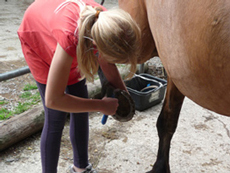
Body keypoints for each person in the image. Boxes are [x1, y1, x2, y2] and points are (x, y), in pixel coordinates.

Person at [18, 0, 141, 172]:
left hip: (64, 30)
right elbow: (53, 100)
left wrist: (123, 96)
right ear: (97, 45)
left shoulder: (106, 22)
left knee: (81, 102)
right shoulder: (71, 38)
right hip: (36, 35)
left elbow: (107, 63)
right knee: (55, 116)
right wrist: (100, 105)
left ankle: (81, 167)